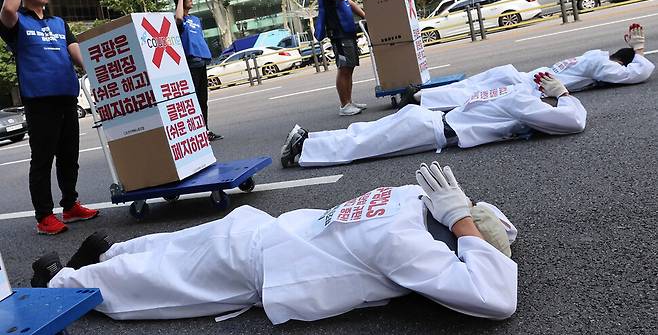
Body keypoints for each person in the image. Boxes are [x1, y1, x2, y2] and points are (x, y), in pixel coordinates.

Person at [32, 162, 518, 324]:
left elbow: (455, 218)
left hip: (258, 227)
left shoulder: (410, 196)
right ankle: (64, 284)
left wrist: (460, 217)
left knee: (166, 251)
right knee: (147, 289)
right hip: (256, 267)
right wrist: (466, 233)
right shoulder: (410, 249)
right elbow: (493, 299)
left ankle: (106, 250)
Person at [281, 74, 586, 168]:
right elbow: (571, 122)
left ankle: (307, 141)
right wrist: (565, 95)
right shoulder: (522, 100)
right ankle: (304, 149)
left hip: (431, 122)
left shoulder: (512, 91)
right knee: (363, 144)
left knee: (364, 135)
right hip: (431, 129)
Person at [0, 0, 98, 235]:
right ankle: (44, 217)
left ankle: (70, 206)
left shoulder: (59, 24)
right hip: (40, 101)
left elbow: (77, 53)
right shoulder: (17, 21)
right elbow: (7, 10)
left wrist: (98, 71)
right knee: (42, 160)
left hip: (67, 97)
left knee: (69, 157)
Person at [406, 23, 654, 111]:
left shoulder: (594, 55)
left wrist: (632, 49)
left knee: (469, 85)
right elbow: (639, 73)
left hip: (519, 74)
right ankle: (421, 99)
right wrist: (639, 50)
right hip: (527, 84)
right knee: (472, 95)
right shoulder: (603, 66)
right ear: (620, 62)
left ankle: (421, 94)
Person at [316, 0, 367, 116]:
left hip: (347, 32)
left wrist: (365, 15)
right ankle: (344, 105)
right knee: (344, 68)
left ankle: (349, 102)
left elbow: (348, 1)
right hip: (339, 34)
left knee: (349, 68)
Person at [173, 0, 222, 141]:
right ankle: (195, 133)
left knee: (202, 99)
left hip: (201, 62)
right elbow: (179, 19)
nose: (191, 0)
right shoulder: (179, 19)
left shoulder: (196, 19)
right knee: (193, 100)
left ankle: (205, 131)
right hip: (190, 63)